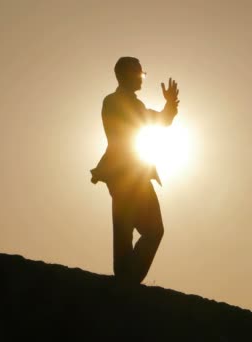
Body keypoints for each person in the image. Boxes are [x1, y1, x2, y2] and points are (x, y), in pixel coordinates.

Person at [90, 56, 180, 284]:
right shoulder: (113, 101)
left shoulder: (129, 103)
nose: (142, 79)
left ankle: (126, 280)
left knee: (136, 230)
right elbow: (149, 120)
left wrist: (169, 106)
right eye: (139, 74)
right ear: (126, 75)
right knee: (136, 230)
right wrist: (166, 109)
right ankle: (127, 280)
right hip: (126, 174)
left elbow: (157, 120)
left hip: (132, 172)